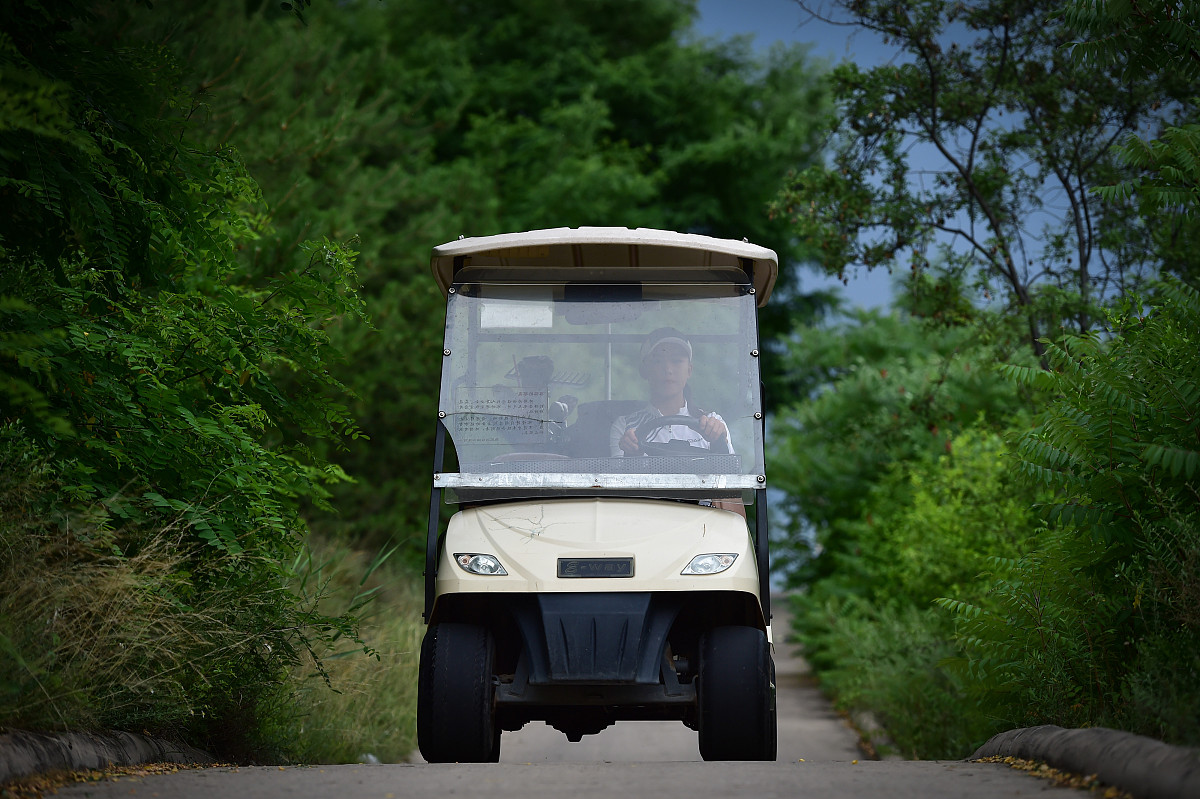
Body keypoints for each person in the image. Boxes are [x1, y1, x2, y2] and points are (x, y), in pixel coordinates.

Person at [609, 327, 733, 457]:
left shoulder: (713, 424)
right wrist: (632, 454)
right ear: (644, 370)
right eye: (658, 361)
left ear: (689, 370)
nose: (668, 369)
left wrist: (719, 442)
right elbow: (618, 477)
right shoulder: (625, 427)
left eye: (676, 361)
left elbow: (730, 474)